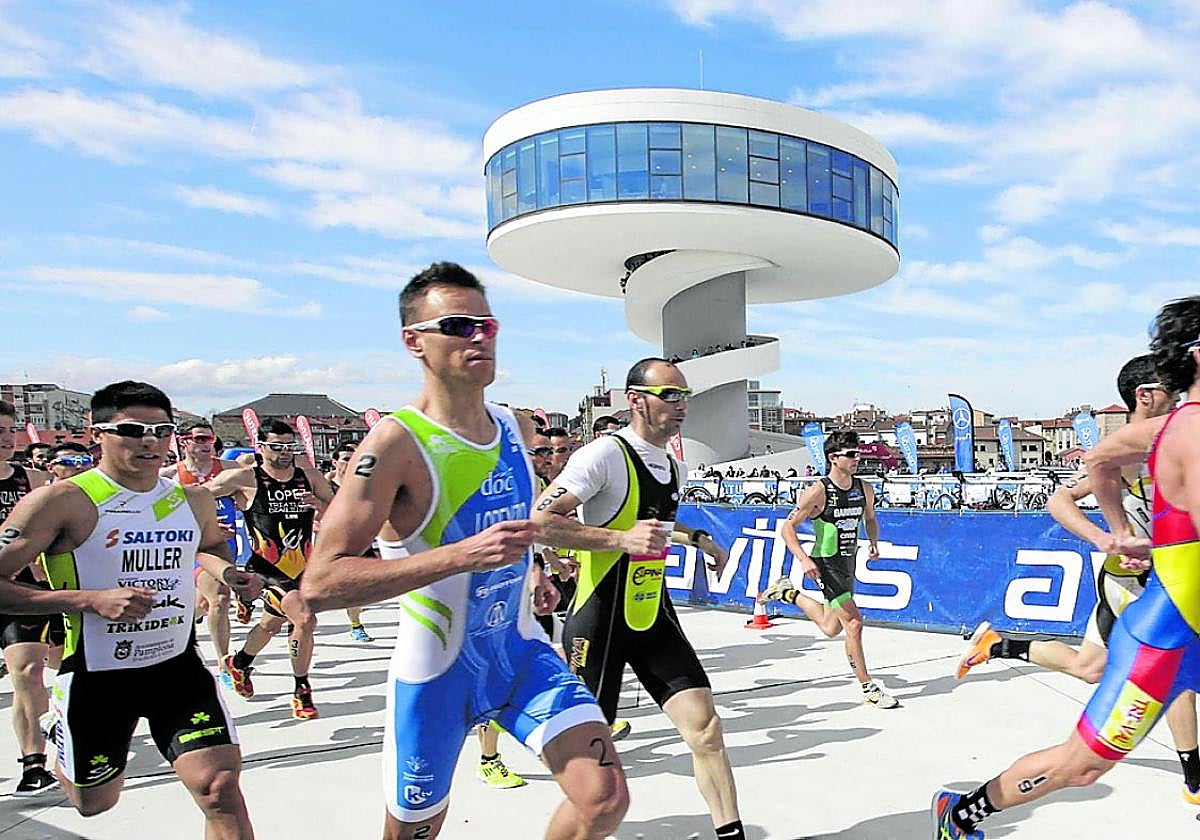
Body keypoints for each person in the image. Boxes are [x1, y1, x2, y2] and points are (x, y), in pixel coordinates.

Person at [301, 262, 627, 840]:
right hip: (436, 673)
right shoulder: (396, 442)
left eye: (488, 325)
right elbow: (321, 583)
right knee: (413, 833)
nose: (478, 337)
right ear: (414, 342)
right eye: (457, 326)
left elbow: (521, 524)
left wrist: (535, 571)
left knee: (603, 800)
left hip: (519, 651)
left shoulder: (514, 426)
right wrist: (459, 556)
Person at [933, 296, 1200, 838]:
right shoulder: (1188, 429)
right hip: (1163, 636)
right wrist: (1114, 535)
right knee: (1080, 766)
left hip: (1181, 614)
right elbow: (1093, 465)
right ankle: (960, 815)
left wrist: (1129, 534)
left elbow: (1099, 457)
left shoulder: (1169, 428)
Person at [0, 381, 261, 836]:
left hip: (176, 669)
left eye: (163, 430)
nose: (150, 441)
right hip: (97, 677)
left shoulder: (190, 498)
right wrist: (89, 600)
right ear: (96, 432)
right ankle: (60, 734)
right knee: (94, 804)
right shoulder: (61, 501)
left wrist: (229, 574)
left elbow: (211, 546)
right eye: (133, 430)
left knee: (220, 789)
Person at [533, 357, 747, 840]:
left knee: (707, 730)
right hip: (600, 619)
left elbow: (658, 526)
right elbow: (540, 521)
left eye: (684, 395)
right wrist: (620, 541)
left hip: (651, 615)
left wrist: (698, 539)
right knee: (593, 773)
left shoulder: (672, 465)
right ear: (635, 400)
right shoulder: (604, 455)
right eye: (669, 395)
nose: (681, 405)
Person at [759, 429, 899, 709]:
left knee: (830, 626)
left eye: (858, 453)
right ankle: (868, 687)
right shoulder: (818, 492)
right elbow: (787, 528)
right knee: (854, 624)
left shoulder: (864, 488)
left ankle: (787, 593)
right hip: (825, 563)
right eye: (851, 454)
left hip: (848, 562)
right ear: (833, 458)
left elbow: (870, 518)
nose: (857, 458)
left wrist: (873, 542)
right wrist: (803, 558)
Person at [207, 419, 333, 720]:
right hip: (266, 570)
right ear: (261, 447)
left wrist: (318, 505)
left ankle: (239, 662)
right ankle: (302, 689)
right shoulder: (246, 479)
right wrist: (210, 526)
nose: (285, 453)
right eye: (277, 447)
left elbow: (341, 512)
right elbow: (197, 498)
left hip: (304, 567)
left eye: (291, 447)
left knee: (271, 625)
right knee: (303, 618)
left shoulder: (309, 476)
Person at [161, 419, 246, 690]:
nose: (206, 444)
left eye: (209, 439)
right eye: (199, 439)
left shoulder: (230, 469)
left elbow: (255, 490)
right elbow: (158, 517)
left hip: (224, 547)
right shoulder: (169, 475)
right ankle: (221, 659)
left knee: (214, 600)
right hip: (191, 549)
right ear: (184, 441)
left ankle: (215, 653)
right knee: (216, 599)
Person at [0, 400, 58, 795]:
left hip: (21, 591)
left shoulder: (33, 481)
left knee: (27, 671)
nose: (5, 441)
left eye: (9, 432)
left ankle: (33, 763)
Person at [327, 442, 374, 643]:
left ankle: (354, 619)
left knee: (364, 589)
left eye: (354, 458)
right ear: (334, 462)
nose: (350, 463)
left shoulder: (363, 485)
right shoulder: (325, 486)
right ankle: (356, 625)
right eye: (346, 459)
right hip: (334, 544)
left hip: (361, 541)